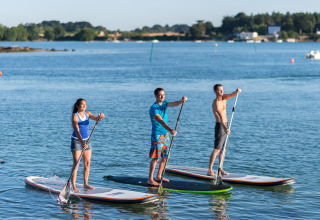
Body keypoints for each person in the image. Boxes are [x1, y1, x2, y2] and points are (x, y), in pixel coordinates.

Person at [148, 88, 187, 186]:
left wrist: (181, 101)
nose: (162, 96)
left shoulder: (165, 103)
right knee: (156, 158)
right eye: (160, 95)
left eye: (163, 94)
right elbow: (161, 121)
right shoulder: (154, 108)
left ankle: (158, 176)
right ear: (156, 96)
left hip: (165, 135)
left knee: (165, 157)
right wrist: (171, 130)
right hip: (157, 135)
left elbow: (174, 103)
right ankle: (150, 179)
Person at [71, 98, 105, 193]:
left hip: (87, 141)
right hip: (77, 141)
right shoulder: (75, 117)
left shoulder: (88, 114)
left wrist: (101, 116)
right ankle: (73, 185)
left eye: (85, 104)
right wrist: (82, 143)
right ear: (77, 106)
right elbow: (77, 131)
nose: (84, 106)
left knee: (87, 163)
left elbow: (96, 119)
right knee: (76, 164)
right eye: (82, 104)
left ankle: (85, 184)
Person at [208, 84, 241, 177]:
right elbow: (221, 117)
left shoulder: (224, 97)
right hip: (220, 126)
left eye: (222, 89)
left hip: (226, 125)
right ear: (215, 91)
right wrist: (225, 128)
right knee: (217, 149)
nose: (221, 91)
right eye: (219, 90)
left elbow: (232, 95)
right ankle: (210, 170)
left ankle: (220, 168)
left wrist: (237, 91)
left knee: (223, 150)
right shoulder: (216, 103)